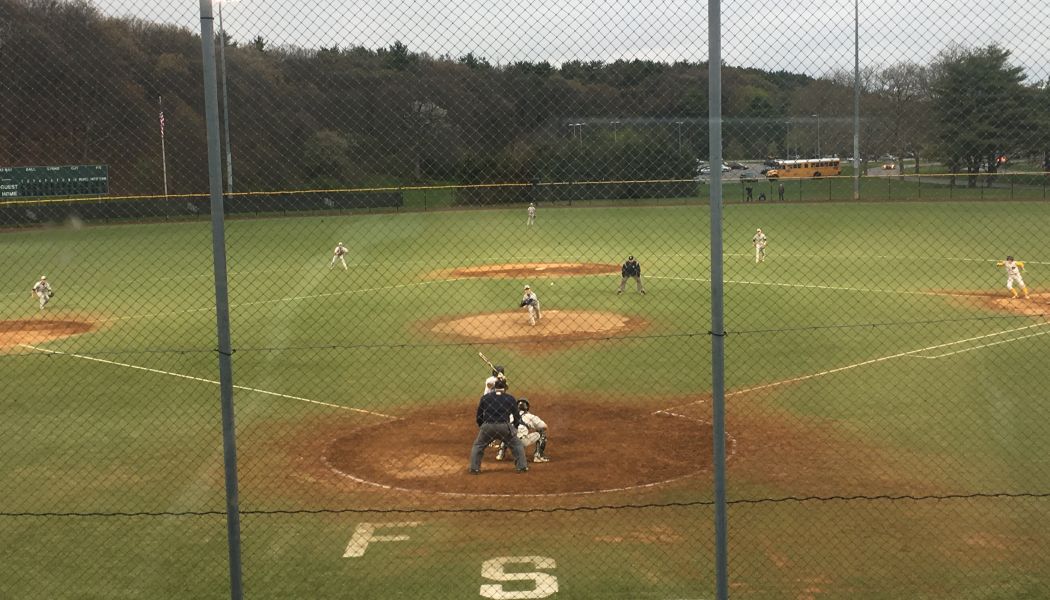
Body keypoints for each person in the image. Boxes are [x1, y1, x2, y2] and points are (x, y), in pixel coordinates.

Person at [468, 378, 528, 473]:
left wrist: (482, 426)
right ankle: (521, 467)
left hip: (488, 426)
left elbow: (479, 415)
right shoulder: (510, 398)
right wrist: (515, 427)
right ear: (505, 388)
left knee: (478, 445)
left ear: (494, 387)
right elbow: (516, 416)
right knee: (517, 445)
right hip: (504, 427)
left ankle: (474, 468)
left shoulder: (485, 398)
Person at [496, 397, 550, 463]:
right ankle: (538, 456)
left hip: (508, 442)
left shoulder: (509, 415)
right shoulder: (530, 416)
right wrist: (534, 427)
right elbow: (544, 426)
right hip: (520, 442)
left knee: (506, 432)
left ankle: (500, 454)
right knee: (542, 433)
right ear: (527, 407)